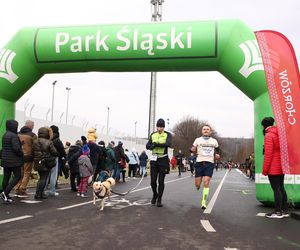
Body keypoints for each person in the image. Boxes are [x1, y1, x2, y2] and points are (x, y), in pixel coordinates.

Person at [261, 117, 289, 219]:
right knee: (281, 187)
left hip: (273, 166)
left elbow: (268, 154)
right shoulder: (280, 133)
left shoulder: (269, 135)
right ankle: (284, 210)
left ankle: (277, 212)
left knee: (276, 189)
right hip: (282, 165)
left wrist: (265, 170)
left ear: (264, 125)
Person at [190, 124, 220, 209]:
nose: (206, 130)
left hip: (209, 163)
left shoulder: (214, 141)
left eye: (207, 129)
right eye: (204, 129)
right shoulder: (197, 140)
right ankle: (198, 186)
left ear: (210, 131)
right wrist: (191, 149)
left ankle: (203, 201)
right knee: (197, 184)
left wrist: (217, 154)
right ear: (202, 131)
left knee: (206, 182)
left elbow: (218, 149)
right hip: (199, 163)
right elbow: (192, 148)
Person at [146, 118, 172, 207]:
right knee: (153, 181)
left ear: (164, 127)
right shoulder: (153, 134)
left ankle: (159, 199)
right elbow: (147, 146)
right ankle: (155, 194)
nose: (159, 128)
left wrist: (156, 144)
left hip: (163, 160)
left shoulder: (168, 134)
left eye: (161, 127)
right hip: (154, 160)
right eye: (158, 126)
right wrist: (151, 146)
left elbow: (168, 144)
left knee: (161, 181)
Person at [0, 120, 24, 203]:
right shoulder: (14, 136)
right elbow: (16, 148)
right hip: (14, 160)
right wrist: (22, 153)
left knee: (6, 177)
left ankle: (5, 194)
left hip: (5, 159)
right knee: (18, 176)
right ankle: (5, 193)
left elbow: (7, 147)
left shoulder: (5, 135)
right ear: (13, 126)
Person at [33, 126, 58, 200]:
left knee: (41, 178)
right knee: (44, 178)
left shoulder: (35, 141)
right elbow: (54, 152)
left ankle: (39, 193)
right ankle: (39, 194)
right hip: (46, 162)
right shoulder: (49, 142)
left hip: (37, 161)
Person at [14, 120, 37, 197]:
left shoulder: (17, 134)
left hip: (18, 156)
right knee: (26, 173)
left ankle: (17, 188)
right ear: (30, 126)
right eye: (33, 125)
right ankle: (22, 189)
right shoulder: (33, 135)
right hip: (28, 157)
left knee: (19, 173)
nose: (33, 127)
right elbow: (35, 147)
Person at [48, 125, 66, 196]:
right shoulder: (57, 139)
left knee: (46, 175)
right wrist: (63, 156)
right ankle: (52, 190)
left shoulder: (48, 137)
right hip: (54, 157)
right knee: (53, 175)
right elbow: (61, 150)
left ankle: (43, 190)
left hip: (46, 157)